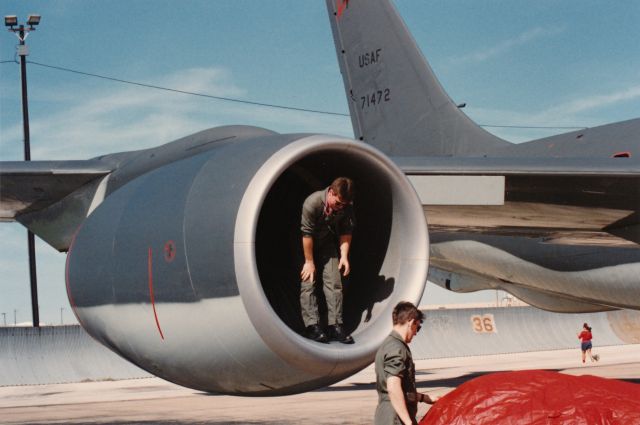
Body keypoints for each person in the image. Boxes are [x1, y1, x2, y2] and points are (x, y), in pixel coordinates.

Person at [299, 177, 355, 344]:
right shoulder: (312, 203)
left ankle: (334, 325)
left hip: (326, 242)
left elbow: (346, 231)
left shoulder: (346, 206)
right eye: (337, 203)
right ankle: (312, 326)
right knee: (308, 280)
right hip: (306, 244)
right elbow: (306, 234)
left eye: (343, 205)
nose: (340, 208)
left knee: (334, 280)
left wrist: (344, 256)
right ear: (331, 192)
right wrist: (309, 262)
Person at [374, 301, 438, 425]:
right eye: (417, 327)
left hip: (390, 416)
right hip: (395, 419)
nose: (415, 333)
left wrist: (424, 398)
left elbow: (403, 391)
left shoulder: (390, 344)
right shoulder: (396, 348)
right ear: (411, 322)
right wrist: (408, 422)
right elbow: (393, 387)